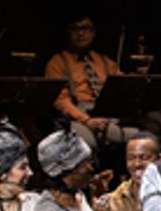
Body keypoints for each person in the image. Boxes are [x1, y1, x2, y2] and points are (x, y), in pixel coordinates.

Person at [45, 15, 136, 153]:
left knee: (139, 138)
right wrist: (86, 120)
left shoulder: (104, 61)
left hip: (107, 115)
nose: (81, 33)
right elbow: (60, 100)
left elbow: (122, 84)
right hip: (78, 116)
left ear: (93, 33)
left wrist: (138, 75)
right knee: (88, 144)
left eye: (85, 28)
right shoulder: (57, 62)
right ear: (67, 32)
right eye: (75, 28)